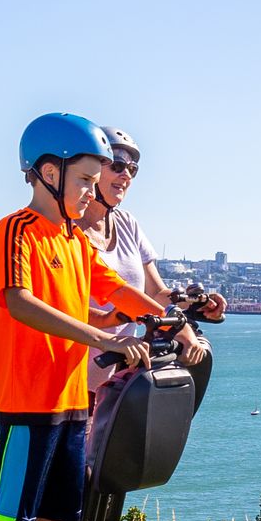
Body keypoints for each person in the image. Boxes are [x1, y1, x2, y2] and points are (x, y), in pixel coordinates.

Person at [0, 114, 193, 521]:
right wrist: (104, 337)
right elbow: (20, 302)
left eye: (95, 183)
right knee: (8, 520)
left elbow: (115, 289)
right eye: (84, 181)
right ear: (49, 172)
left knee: (52, 518)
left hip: (71, 401)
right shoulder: (17, 230)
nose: (91, 193)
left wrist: (168, 320)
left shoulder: (75, 242)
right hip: (27, 403)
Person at [77, 128, 224, 397]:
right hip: (72, 375)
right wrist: (177, 327)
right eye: (117, 166)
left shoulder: (127, 223)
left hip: (116, 377)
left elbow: (154, 293)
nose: (126, 175)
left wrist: (196, 304)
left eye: (132, 170)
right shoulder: (67, 229)